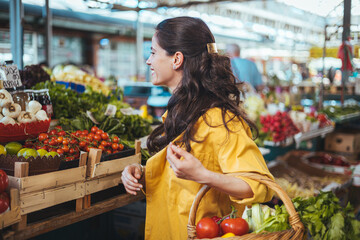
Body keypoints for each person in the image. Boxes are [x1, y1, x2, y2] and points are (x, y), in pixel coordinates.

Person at [121, 16, 274, 240]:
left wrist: (203, 175)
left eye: (153, 52)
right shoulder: (180, 111)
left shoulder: (220, 120)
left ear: (177, 59)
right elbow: (180, 184)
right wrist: (142, 176)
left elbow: (259, 186)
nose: (148, 61)